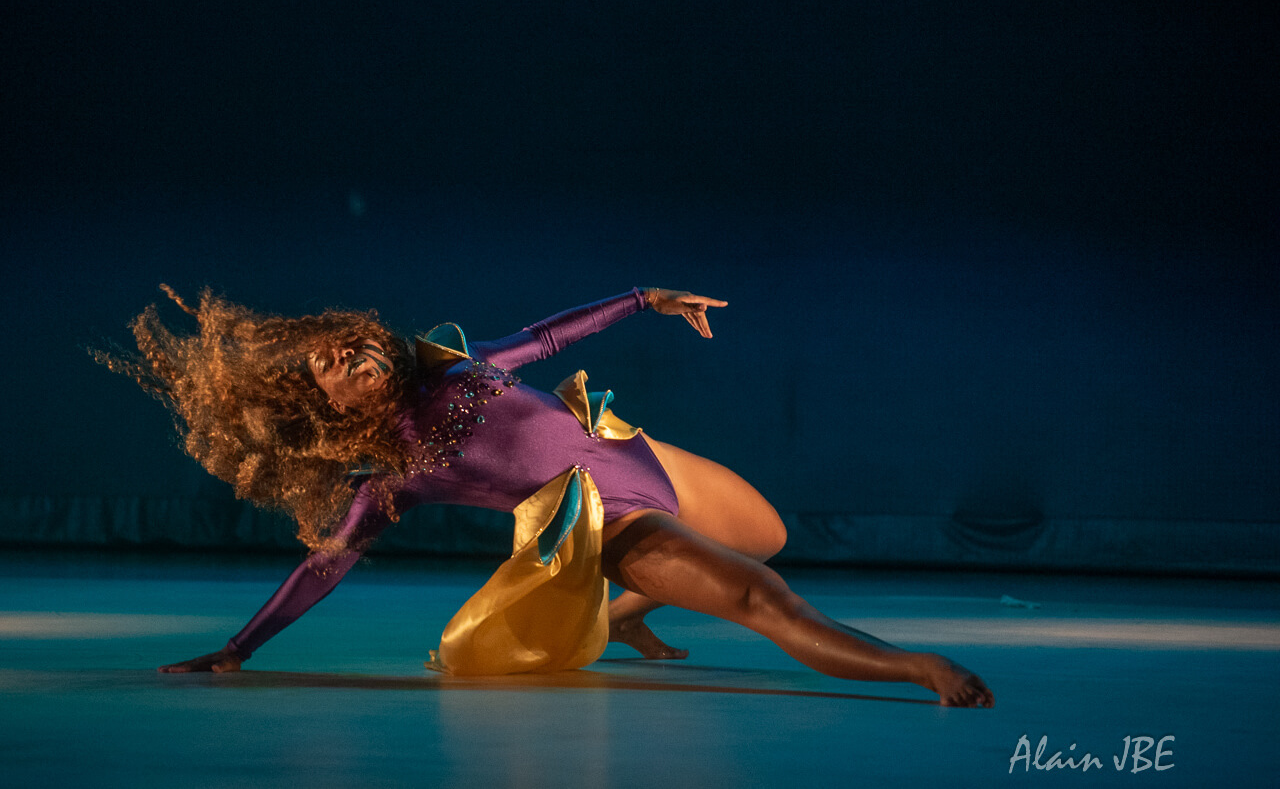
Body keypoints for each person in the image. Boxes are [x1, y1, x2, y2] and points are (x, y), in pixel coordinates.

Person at [97, 285, 993, 708]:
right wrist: (239, 647)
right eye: (329, 365)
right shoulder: (395, 477)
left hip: (636, 453)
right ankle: (920, 670)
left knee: (767, 533)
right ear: (328, 408)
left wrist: (645, 299)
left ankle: (624, 621)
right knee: (763, 596)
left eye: (346, 341)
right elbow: (324, 564)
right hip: (621, 521)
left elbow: (551, 335)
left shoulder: (464, 365)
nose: (345, 354)